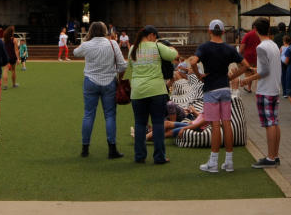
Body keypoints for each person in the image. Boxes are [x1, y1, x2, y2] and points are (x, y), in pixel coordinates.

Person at [184, 19, 253, 173]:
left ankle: (213, 163)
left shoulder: (204, 47)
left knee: (215, 125)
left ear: (209, 31)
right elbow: (246, 66)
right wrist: (231, 77)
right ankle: (229, 162)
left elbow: (193, 62)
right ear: (223, 32)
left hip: (211, 89)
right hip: (225, 88)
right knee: (226, 123)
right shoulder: (229, 49)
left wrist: (199, 75)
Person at [124, 25, 178, 164]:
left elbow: (131, 66)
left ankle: (139, 156)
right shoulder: (157, 46)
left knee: (140, 124)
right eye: (156, 37)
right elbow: (173, 55)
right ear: (151, 35)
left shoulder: (132, 49)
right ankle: (159, 157)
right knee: (158, 123)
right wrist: (171, 48)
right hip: (156, 90)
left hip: (138, 91)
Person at [73, 21, 127, 159]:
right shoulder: (112, 44)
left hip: (90, 81)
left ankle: (85, 148)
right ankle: (112, 148)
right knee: (109, 115)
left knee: (88, 114)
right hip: (109, 81)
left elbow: (75, 52)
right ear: (105, 31)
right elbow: (122, 66)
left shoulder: (87, 45)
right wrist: (119, 76)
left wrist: (86, 41)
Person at [247, 18, 282, 168]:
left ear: (255, 29)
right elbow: (269, 68)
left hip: (265, 89)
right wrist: (255, 71)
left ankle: (270, 157)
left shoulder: (261, 47)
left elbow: (264, 71)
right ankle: (275, 155)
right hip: (274, 88)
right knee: (274, 122)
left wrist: (247, 79)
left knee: (269, 124)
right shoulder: (273, 45)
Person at [238, 19, 259, 93]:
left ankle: (249, 88)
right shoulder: (259, 35)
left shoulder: (248, 35)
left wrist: (239, 55)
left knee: (249, 73)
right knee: (257, 72)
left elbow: (241, 48)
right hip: (257, 56)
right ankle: (256, 88)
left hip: (248, 57)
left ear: (252, 27)